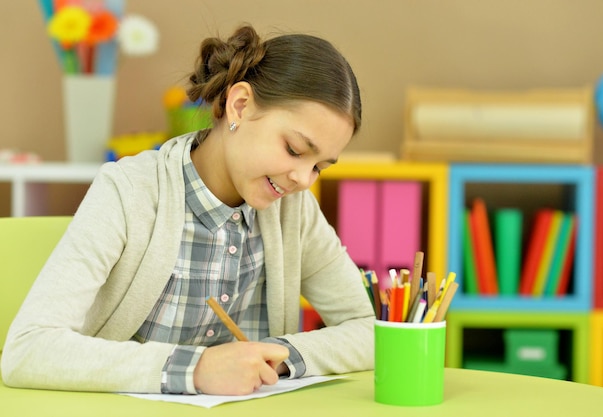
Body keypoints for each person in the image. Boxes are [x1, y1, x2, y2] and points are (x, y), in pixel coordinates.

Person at [1, 24, 374, 395]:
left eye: (319, 167)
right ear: (240, 106)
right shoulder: (129, 192)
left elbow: (371, 330)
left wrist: (280, 355)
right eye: (294, 150)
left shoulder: (294, 210)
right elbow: (27, 348)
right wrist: (194, 369)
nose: (302, 179)